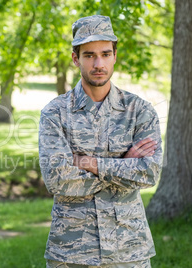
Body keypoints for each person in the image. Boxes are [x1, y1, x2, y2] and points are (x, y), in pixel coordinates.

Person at [39, 15, 163, 268]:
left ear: (115, 56)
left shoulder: (140, 111)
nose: (98, 63)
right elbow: (57, 179)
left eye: (105, 54)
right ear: (76, 59)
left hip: (129, 249)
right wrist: (124, 165)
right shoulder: (55, 113)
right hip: (72, 250)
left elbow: (149, 173)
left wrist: (89, 163)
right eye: (89, 55)